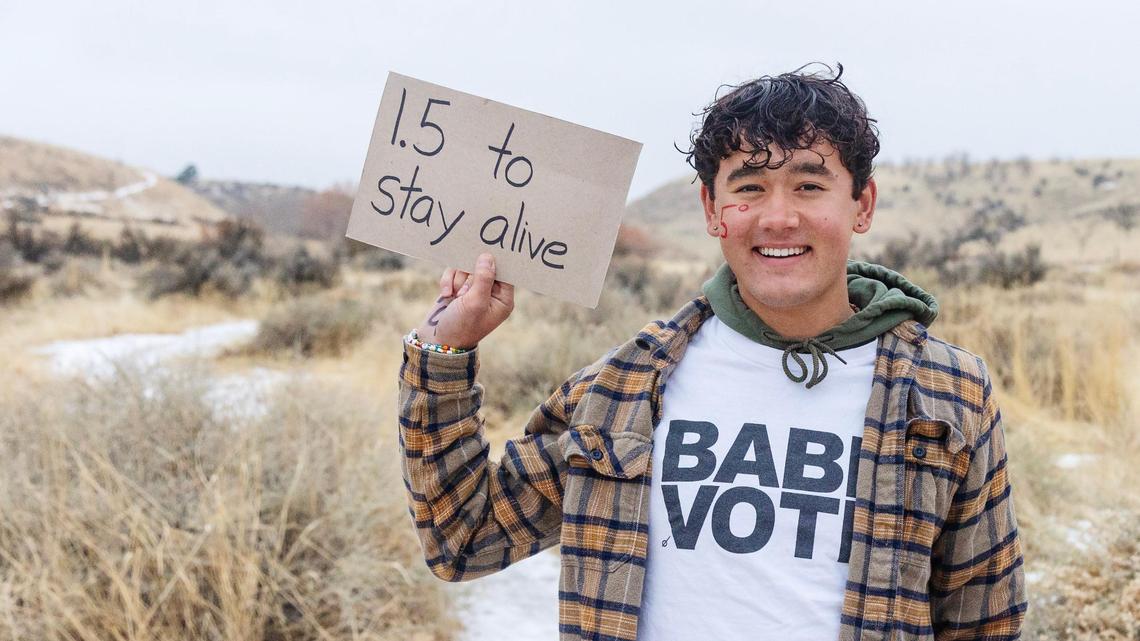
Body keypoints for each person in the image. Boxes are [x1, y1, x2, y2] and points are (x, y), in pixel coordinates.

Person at [397, 64, 1027, 641]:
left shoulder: (947, 392)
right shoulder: (625, 388)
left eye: (810, 185)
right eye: (748, 188)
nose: (777, 217)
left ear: (861, 204)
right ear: (712, 208)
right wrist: (447, 350)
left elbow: (984, 622)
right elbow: (463, 537)